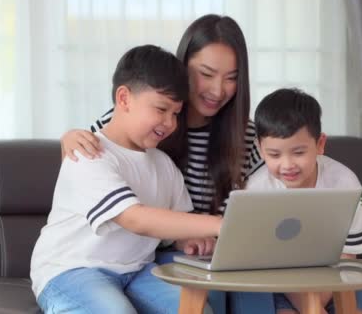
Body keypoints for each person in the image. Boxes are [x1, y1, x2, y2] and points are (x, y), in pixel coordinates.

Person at [61, 14, 276, 312]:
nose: (218, 90)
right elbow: (97, 151)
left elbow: (274, 196)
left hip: (201, 252)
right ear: (182, 69)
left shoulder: (247, 139)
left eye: (231, 78)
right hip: (152, 255)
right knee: (200, 296)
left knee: (251, 283)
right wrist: (70, 138)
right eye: (207, 73)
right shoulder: (141, 123)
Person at [30, 45, 222, 314]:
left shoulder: (163, 165)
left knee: (197, 310)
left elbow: (177, 229)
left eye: (176, 113)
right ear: (124, 99)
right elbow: (135, 219)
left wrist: (188, 240)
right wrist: (218, 224)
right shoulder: (88, 153)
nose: (170, 122)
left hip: (136, 271)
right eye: (161, 108)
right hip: (72, 270)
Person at [246, 87, 362, 314]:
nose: (287, 165)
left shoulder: (344, 184)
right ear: (260, 149)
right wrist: (308, 306)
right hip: (277, 284)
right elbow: (259, 264)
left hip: (337, 277)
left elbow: (348, 257)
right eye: (274, 155)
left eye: (299, 153)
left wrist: (316, 304)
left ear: (320, 143)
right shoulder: (256, 191)